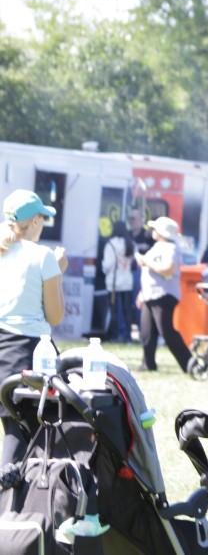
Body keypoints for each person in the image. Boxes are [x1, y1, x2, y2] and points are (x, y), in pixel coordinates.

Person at [1, 190, 68, 464]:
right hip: (29, 353)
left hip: (3, 350)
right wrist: (58, 272)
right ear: (36, 221)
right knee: (25, 437)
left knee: (14, 432)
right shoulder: (44, 257)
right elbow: (55, 316)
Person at [135, 216, 192, 372]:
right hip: (149, 294)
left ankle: (189, 363)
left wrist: (146, 262)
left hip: (164, 294)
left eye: (155, 229)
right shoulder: (157, 247)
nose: (152, 231)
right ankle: (148, 364)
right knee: (147, 331)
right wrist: (142, 292)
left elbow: (168, 269)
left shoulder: (172, 248)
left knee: (166, 331)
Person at [101, 220, 135, 342]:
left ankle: (115, 336)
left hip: (113, 283)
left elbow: (107, 265)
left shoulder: (110, 245)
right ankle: (128, 336)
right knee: (127, 311)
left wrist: (104, 269)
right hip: (127, 282)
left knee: (114, 310)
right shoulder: (130, 244)